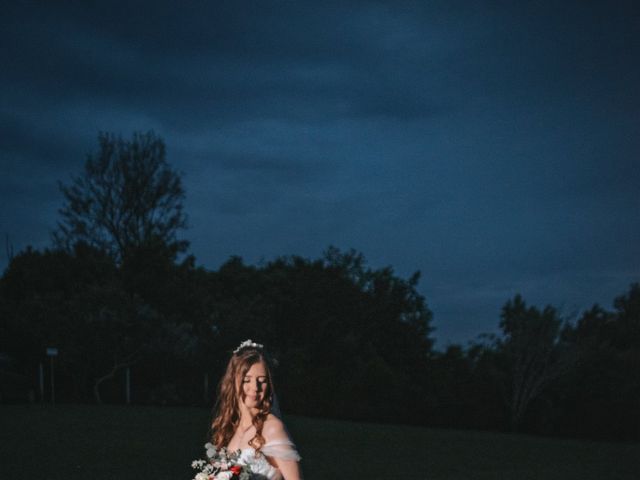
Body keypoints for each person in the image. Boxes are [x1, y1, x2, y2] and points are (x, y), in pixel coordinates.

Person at [210, 340, 303, 480]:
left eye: (262, 380)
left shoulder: (272, 428)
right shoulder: (232, 429)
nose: (255, 388)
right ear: (233, 381)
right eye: (247, 380)